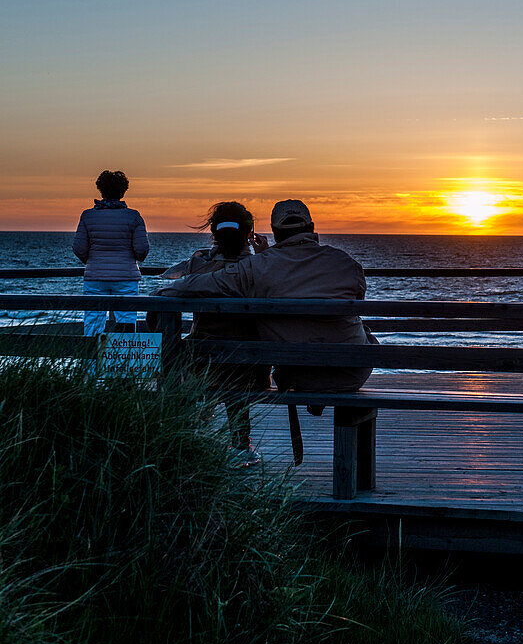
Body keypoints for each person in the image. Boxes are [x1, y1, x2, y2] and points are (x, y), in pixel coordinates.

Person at [155, 199, 374, 396]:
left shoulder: (256, 269)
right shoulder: (347, 264)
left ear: (274, 232)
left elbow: (201, 284)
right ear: (312, 227)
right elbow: (358, 306)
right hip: (351, 374)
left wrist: (161, 293)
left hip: (295, 376)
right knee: (363, 329)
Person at [149, 200, 269, 466]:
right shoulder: (259, 268)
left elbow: (167, 278)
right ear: (248, 233)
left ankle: (192, 431)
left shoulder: (197, 266)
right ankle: (240, 443)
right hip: (249, 368)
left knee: (195, 363)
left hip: (203, 362)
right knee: (234, 373)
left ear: (214, 232)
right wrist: (264, 254)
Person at [73, 170, 149, 336]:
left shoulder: (88, 216)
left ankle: (92, 361)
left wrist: (93, 261)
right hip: (126, 277)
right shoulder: (133, 217)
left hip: (95, 277)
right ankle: (125, 360)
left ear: (101, 190)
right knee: (127, 322)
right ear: (123, 191)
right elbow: (142, 251)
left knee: (93, 323)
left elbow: (79, 248)